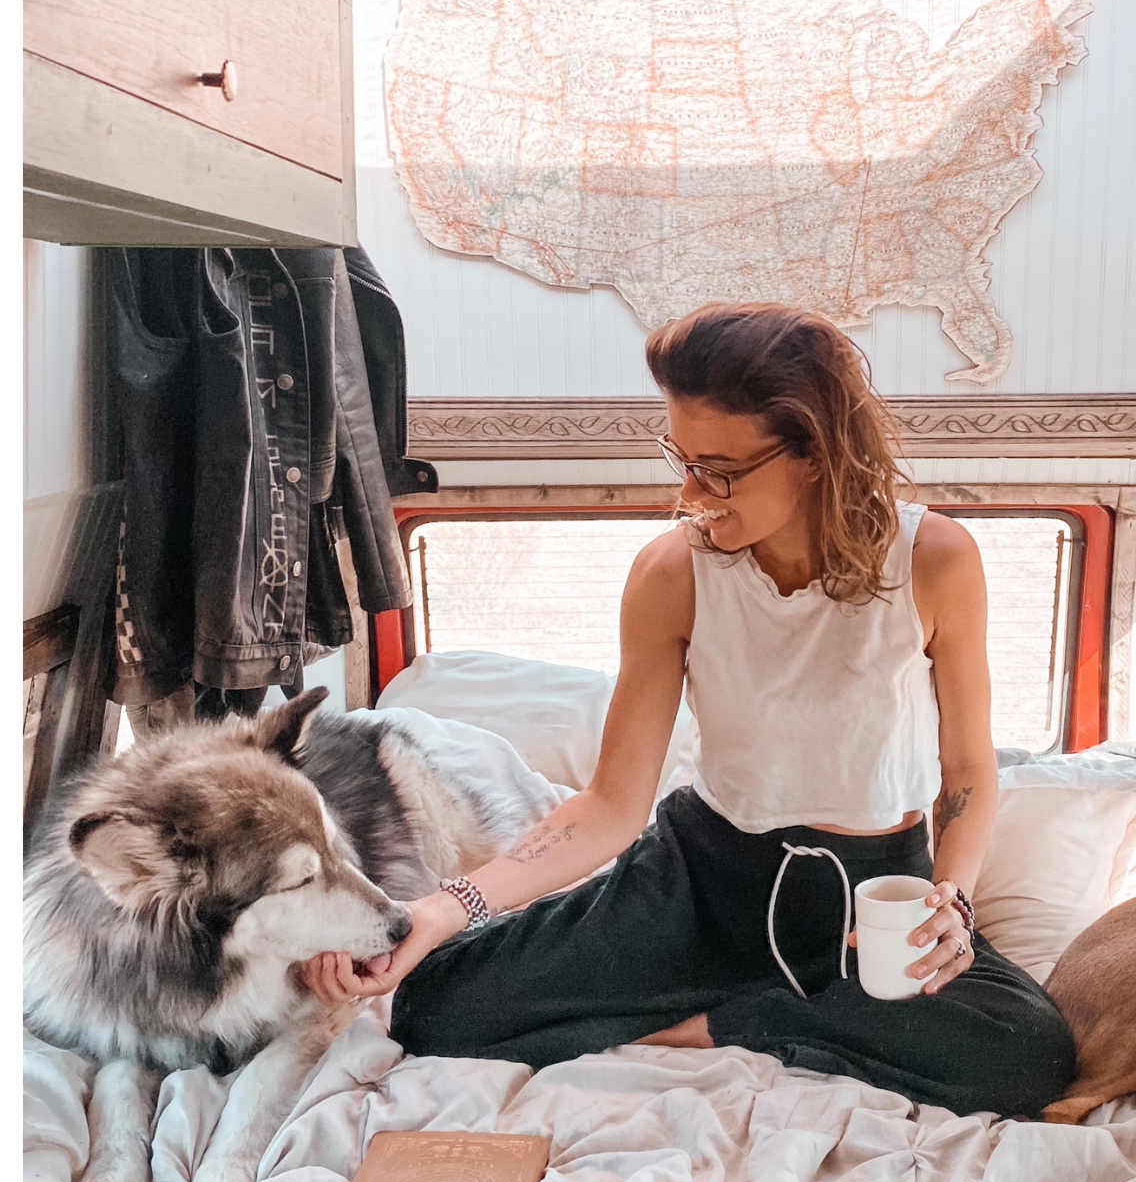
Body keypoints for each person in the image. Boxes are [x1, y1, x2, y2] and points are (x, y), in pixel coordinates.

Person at [303, 304, 1075, 1119]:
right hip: (702, 881)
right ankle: (773, 1017)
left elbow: (967, 777)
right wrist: (434, 911)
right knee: (437, 1008)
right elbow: (610, 806)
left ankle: (727, 1022)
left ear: (813, 451)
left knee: (1027, 1054)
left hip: (874, 897)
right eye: (680, 457)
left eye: (719, 470)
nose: (688, 493)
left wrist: (947, 900)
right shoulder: (671, 574)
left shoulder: (935, 560)